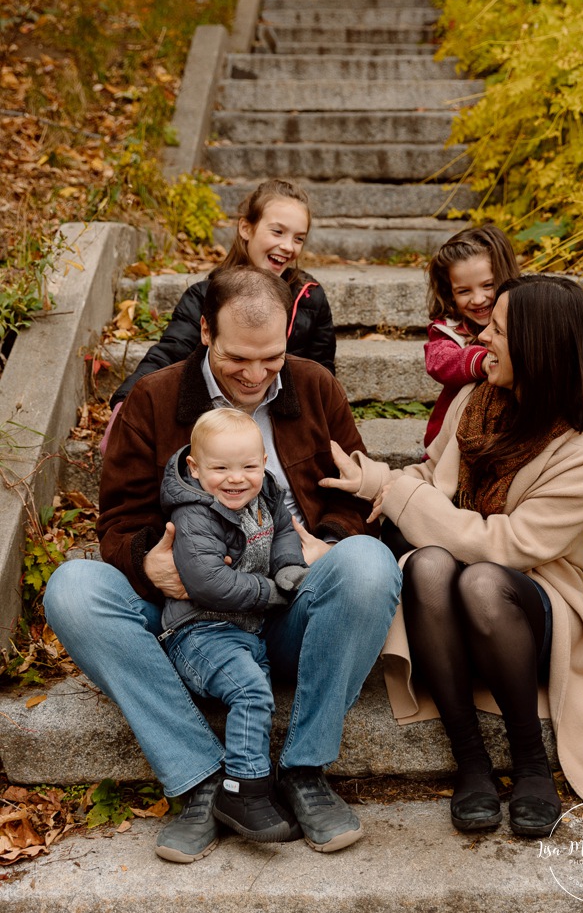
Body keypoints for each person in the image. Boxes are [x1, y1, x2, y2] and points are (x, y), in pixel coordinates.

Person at [44, 266, 401, 862]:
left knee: (367, 563)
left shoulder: (315, 388)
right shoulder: (155, 400)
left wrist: (331, 539)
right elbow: (117, 524)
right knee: (73, 588)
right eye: (239, 357)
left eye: (272, 358)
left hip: (285, 610)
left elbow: (354, 494)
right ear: (205, 331)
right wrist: (147, 563)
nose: (257, 376)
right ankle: (202, 782)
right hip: (189, 623)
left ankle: (305, 771)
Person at [323, 275, 583, 838]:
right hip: (445, 606)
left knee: (483, 582)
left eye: (496, 329)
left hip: (529, 604)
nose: (482, 338)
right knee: (426, 565)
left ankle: (530, 763)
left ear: (538, 348)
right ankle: (471, 762)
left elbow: (509, 546)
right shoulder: (474, 401)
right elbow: (430, 477)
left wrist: (393, 494)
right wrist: (379, 482)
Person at [159, 409, 310, 849]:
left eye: (248, 467)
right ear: (195, 468)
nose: (235, 479)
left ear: (265, 462)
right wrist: (271, 593)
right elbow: (208, 583)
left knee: (256, 696)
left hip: (248, 633)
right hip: (200, 633)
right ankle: (244, 791)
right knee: (251, 693)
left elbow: (283, 532)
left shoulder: (265, 497)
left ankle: (255, 790)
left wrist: (288, 568)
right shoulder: (194, 514)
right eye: (220, 468)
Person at [109, 177, 335, 412]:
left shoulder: (309, 298)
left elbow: (322, 372)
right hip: (217, 419)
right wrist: (127, 399)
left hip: (284, 416)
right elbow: (170, 354)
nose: (289, 246)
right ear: (246, 228)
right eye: (278, 232)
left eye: (299, 238)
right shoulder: (206, 296)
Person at [423, 226, 519, 449]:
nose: (478, 299)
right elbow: (439, 361)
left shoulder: (523, 319)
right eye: (464, 291)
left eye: (488, 285)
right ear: (450, 293)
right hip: (455, 435)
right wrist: (482, 360)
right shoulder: (449, 329)